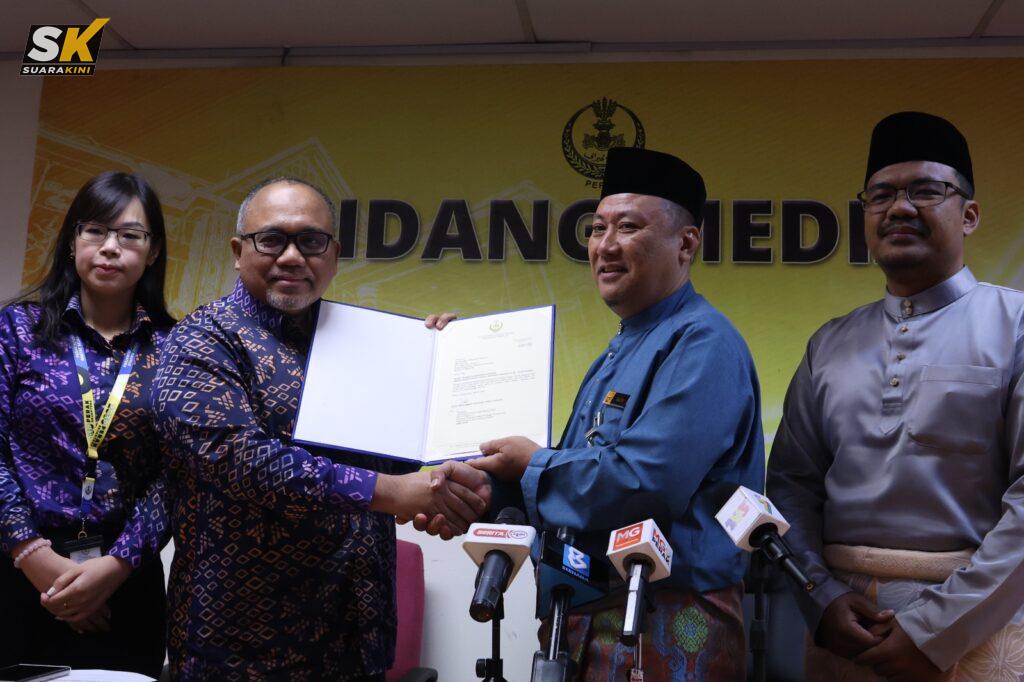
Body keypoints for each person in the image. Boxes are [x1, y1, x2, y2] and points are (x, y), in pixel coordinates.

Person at [439, 147, 765, 679]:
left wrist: (532, 465)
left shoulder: (704, 344)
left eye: (628, 227)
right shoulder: (621, 349)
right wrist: (484, 491)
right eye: (597, 228)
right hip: (581, 617)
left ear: (685, 244)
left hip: (665, 624)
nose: (605, 246)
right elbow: (576, 482)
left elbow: (645, 482)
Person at [152, 176, 491, 680]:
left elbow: (398, 455)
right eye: (272, 239)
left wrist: (439, 366)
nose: (292, 257)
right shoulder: (202, 340)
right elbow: (238, 459)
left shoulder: (363, 343)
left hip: (358, 640)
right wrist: (393, 492)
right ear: (238, 252)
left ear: (333, 254)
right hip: (243, 651)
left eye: (311, 241)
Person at [767, 111, 1024, 679]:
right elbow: (790, 485)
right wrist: (821, 598)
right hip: (843, 636)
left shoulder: (1016, 325)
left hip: (979, 634)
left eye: (925, 191)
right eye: (880, 195)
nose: (899, 208)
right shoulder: (829, 344)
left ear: (970, 215)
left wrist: (935, 631)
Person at [0, 171, 174, 677]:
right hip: (19, 573)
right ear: (73, 240)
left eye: (130, 235)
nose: (110, 247)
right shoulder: (18, 329)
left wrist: (113, 569)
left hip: (126, 584)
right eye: (95, 230)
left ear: (153, 251)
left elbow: (177, 474)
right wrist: (35, 557)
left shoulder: (176, 349)